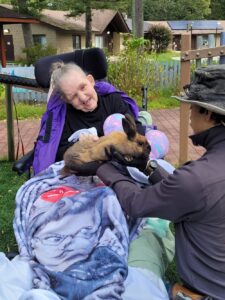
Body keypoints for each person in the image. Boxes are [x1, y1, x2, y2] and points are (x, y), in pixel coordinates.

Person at [95, 64, 225, 300]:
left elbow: (136, 203)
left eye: (192, 107)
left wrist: (101, 165)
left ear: (208, 112)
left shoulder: (197, 178)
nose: (189, 114)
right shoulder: (206, 175)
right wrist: (147, 166)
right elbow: (187, 195)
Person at [32, 62, 145, 175]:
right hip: (91, 171)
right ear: (66, 99)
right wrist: (78, 145)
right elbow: (59, 153)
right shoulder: (64, 119)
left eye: (83, 87)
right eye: (73, 96)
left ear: (90, 81)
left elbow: (136, 127)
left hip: (124, 162)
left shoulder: (113, 100)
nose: (82, 97)